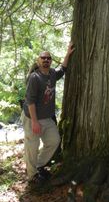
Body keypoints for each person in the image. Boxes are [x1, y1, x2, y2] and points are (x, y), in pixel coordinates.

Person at [21, 43, 74, 185]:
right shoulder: (35, 77)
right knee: (32, 146)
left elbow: (62, 70)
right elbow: (30, 101)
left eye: (48, 58)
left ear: (50, 61)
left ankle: (38, 165)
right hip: (32, 117)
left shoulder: (51, 74)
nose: (46, 60)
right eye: (43, 58)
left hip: (47, 118)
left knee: (54, 141)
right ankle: (32, 176)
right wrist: (34, 122)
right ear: (38, 61)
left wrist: (68, 54)